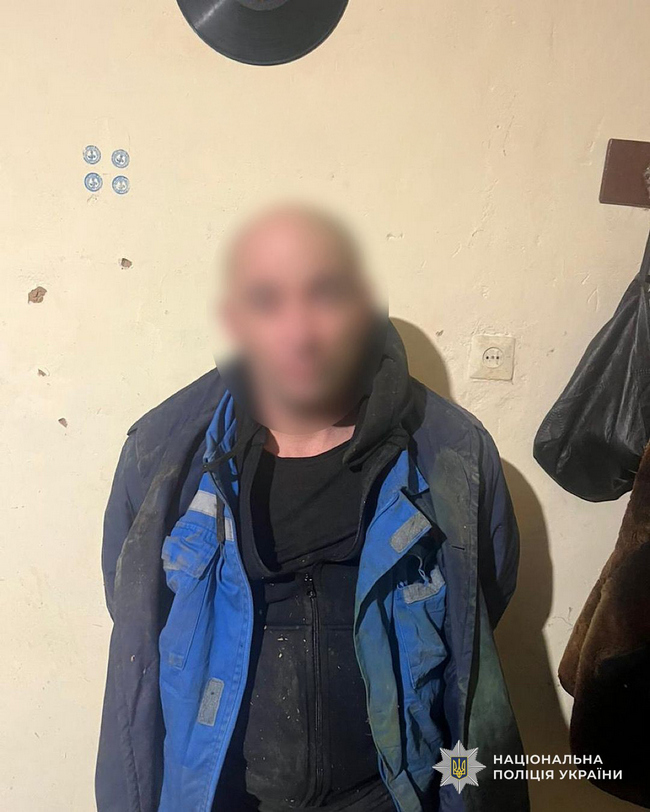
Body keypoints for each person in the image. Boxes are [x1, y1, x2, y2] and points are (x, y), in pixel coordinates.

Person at [96, 205, 529, 812]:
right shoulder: (164, 452)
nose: (299, 332)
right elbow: (136, 614)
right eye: (268, 300)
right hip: (222, 798)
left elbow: (481, 603)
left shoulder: (452, 452)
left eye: (325, 295)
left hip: (392, 797)